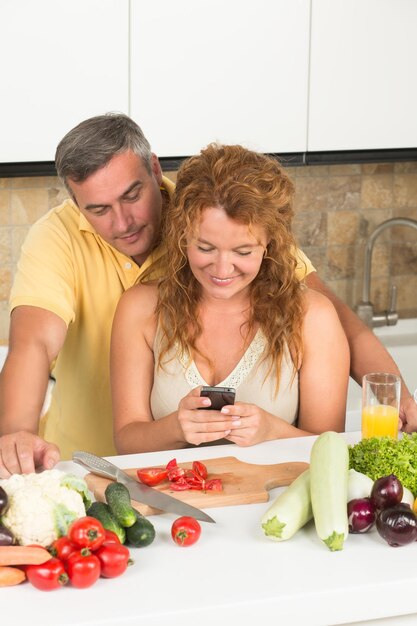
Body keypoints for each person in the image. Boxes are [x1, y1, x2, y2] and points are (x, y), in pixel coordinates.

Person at [0, 113, 415, 476]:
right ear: (76, 204)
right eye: (98, 209)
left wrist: (399, 398)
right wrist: (16, 433)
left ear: (154, 169)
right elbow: (33, 344)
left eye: (132, 195)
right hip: (85, 459)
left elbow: (333, 322)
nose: (123, 221)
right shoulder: (60, 239)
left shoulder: (224, 214)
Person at [111, 144, 350, 452]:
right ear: (183, 236)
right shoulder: (140, 308)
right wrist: (175, 427)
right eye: (206, 248)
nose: (222, 270)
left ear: (270, 245)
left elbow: (332, 451)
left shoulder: (313, 317)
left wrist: (272, 431)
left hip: (274, 497)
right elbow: (127, 443)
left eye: (243, 251)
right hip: (167, 499)